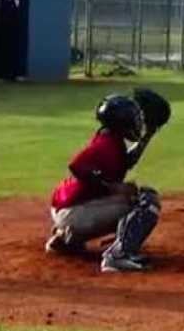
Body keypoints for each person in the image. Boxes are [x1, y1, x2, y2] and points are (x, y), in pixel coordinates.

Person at [45, 95, 163, 272]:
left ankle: (67, 239)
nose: (137, 122)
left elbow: (127, 161)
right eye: (133, 118)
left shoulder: (112, 140)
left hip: (69, 207)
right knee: (146, 201)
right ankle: (118, 256)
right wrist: (112, 188)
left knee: (136, 195)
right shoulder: (106, 144)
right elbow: (76, 166)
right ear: (121, 121)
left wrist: (148, 134)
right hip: (73, 213)